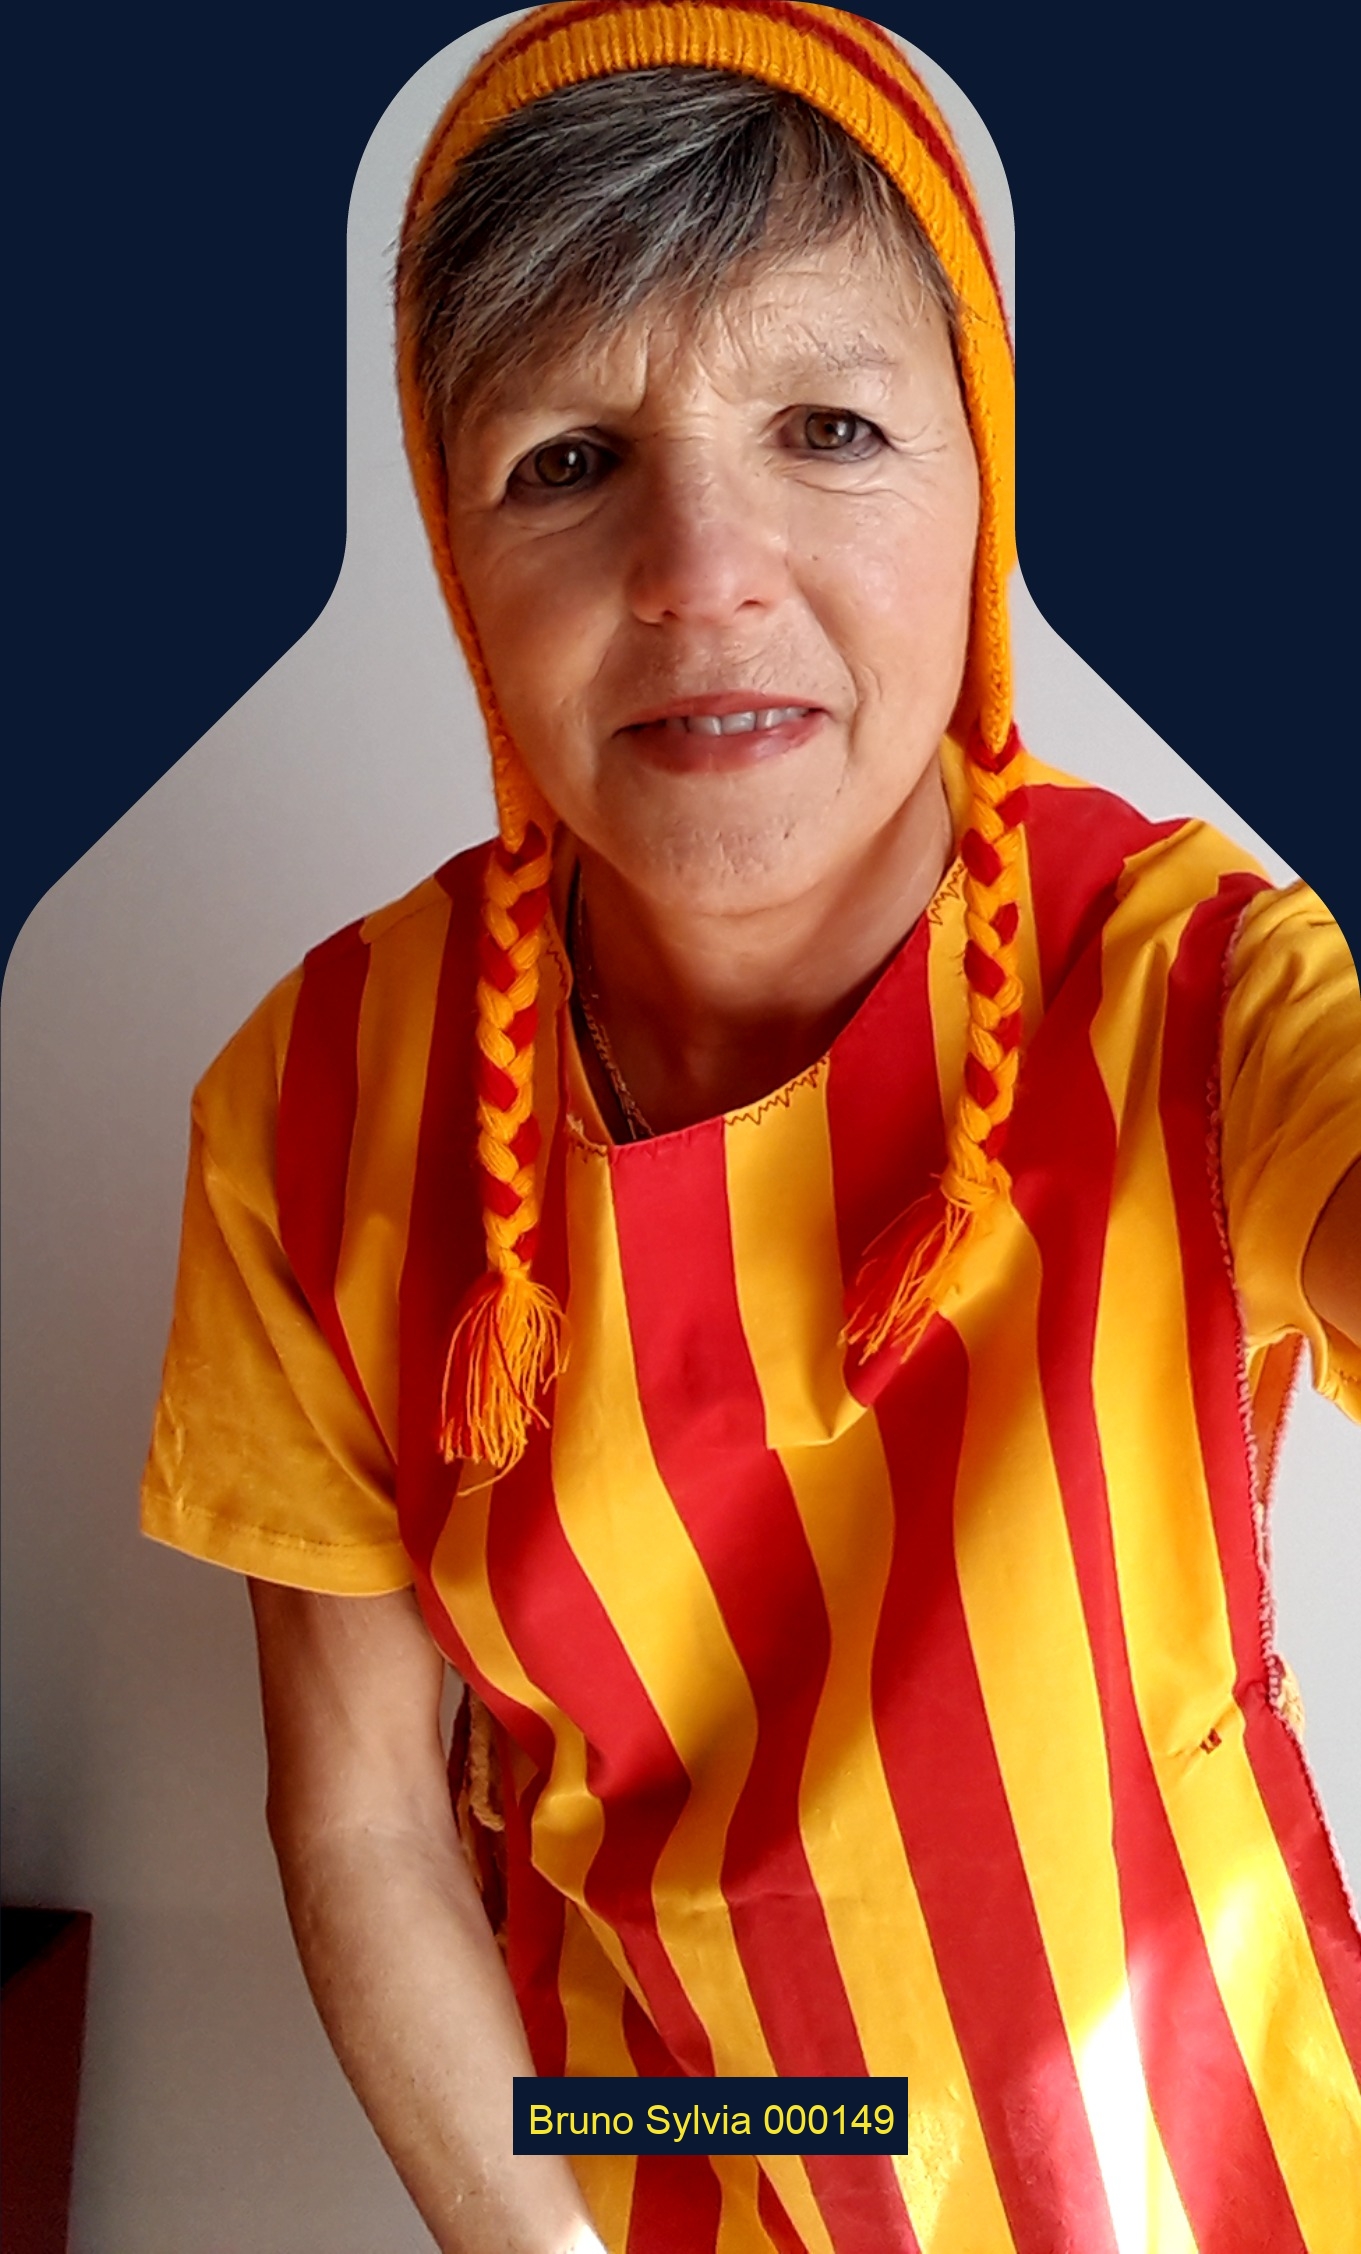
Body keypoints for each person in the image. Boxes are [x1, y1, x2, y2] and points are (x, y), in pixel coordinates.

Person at [141, 5, 1361, 2250]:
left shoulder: (1190, 984)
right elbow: (366, 1819)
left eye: (829, 426)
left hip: (1215, 2167)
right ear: (455, 560)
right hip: (677, 2162)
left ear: (984, 487)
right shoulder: (305, 1106)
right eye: (568, 460)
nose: (702, 566)